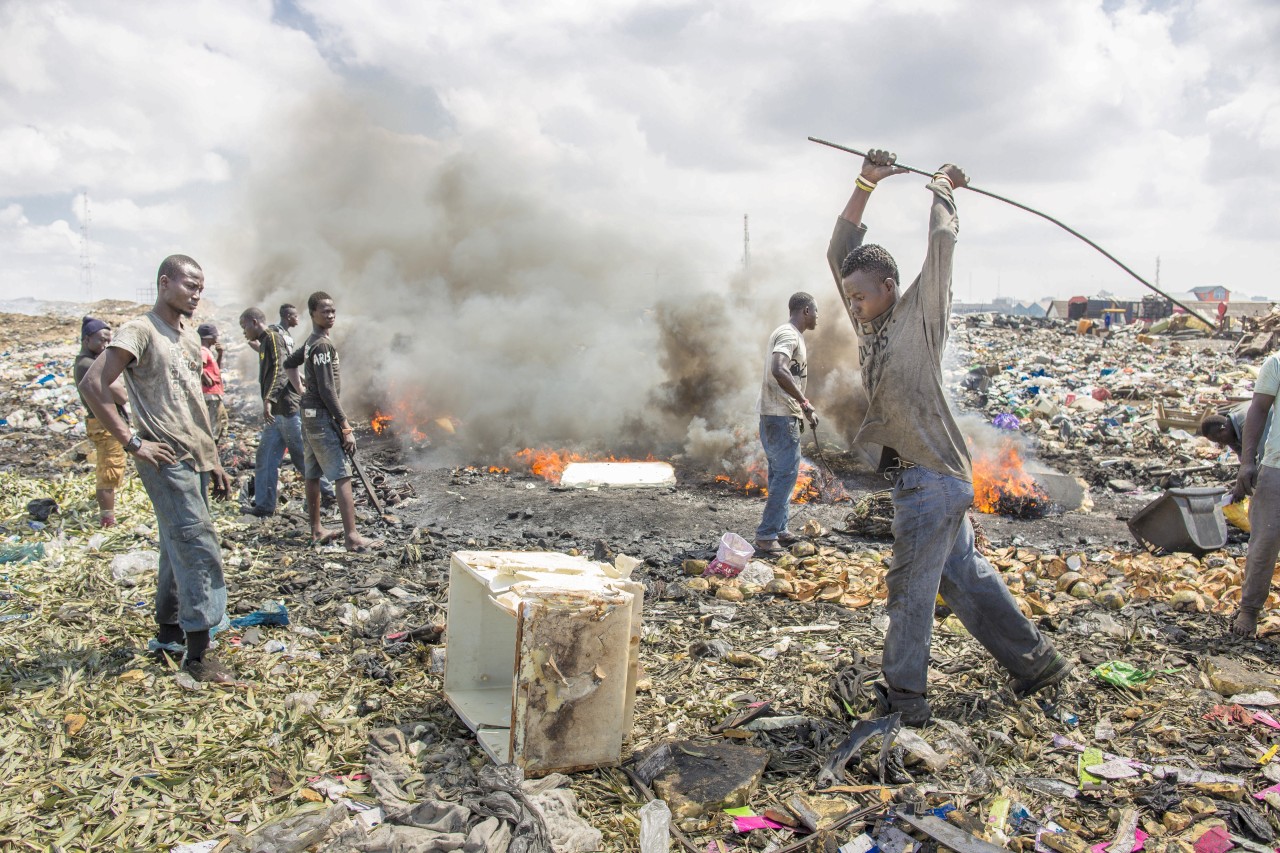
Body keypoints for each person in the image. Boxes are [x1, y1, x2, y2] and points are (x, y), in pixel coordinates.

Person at [826, 148, 1070, 725]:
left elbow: (941, 246)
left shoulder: (920, 314)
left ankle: (905, 700)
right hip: (930, 476)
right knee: (965, 577)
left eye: (861, 296)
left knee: (911, 591)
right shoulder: (873, 323)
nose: (853, 307)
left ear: (890, 286)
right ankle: (1037, 664)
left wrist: (943, 189)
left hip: (931, 479)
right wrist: (866, 182)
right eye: (851, 298)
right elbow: (838, 254)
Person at [80, 254, 236, 683]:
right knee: (198, 544)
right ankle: (200, 654)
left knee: (176, 542)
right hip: (164, 459)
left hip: (194, 457)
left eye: (201, 286)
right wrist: (132, 441)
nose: (196, 293)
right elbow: (93, 383)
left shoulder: (187, 338)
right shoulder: (141, 330)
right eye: (189, 284)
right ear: (164, 283)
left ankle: (169, 630)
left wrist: (214, 460)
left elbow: (193, 405)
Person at [284, 292, 380, 551]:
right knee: (342, 474)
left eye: (333, 311)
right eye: (325, 311)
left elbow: (289, 364)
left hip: (309, 415)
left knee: (313, 473)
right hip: (322, 417)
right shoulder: (322, 346)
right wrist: (345, 425)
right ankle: (352, 537)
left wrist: (302, 391)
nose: (330, 315)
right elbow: (327, 389)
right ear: (313, 314)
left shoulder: (311, 342)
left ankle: (316, 530)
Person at [754, 292, 819, 556]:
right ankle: (767, 535)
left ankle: (779, 528)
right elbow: (778, 368)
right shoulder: (789, 335)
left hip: (775, 414)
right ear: (805, 310)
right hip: (781, 416)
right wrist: (804, 402)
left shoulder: (791, 334)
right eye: (816, 311)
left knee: (780, 472)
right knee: (786, 474)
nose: (818, 317)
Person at [1225, 353, 1280, 637]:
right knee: (1265, 542)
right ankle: (1249, 609)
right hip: (1277, 466)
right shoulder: (1277, 363)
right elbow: (1258, 409)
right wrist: (1247, 461)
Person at [239, 307, 305, 517]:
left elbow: (281, 369)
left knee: (301, 457)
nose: (244, 332)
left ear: (254, 322)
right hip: (276, 414)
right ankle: (265, 506)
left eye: (244, 326)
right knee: (265, 458)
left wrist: (269, 399)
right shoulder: (266, 342)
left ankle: (328, 492)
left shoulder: (273, 338)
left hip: (286, 409)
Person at [73, 316, 128, 527]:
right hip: (105, 425)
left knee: (109, 467)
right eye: (101, 340)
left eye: (108, 341)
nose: (105, 345)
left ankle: (109, 514)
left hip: (102, 423)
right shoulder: (88, 364)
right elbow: (121, 396)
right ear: (86, 340)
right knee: (108, 469)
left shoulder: (86, 362)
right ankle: (108, 520)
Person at [198, 323, 228, 444]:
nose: (217, 338)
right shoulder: (203, 350)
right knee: (214, 424)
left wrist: (220, 354)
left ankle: (213, 448)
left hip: (214, 393)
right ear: (208, 337)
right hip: (210, 394)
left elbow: (216, 370)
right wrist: (205, 377)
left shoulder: (208, 351)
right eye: (215, 335)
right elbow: (197, 364)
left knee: (221, 420)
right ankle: (211, 449)